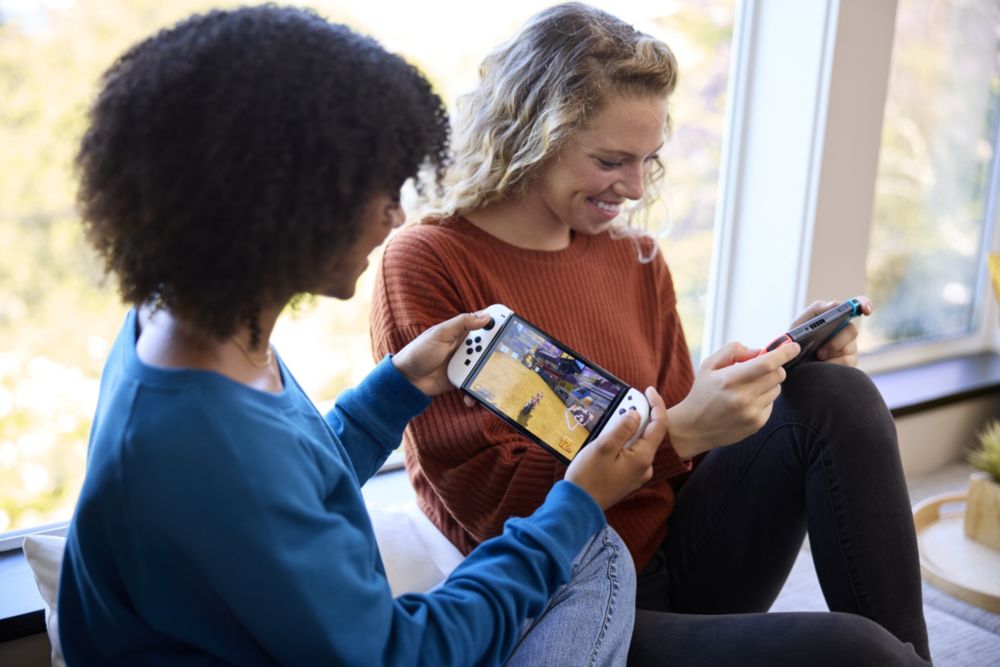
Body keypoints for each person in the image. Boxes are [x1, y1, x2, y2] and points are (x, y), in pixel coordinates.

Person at [57, 6, 668, 666]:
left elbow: (287, 486)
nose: (396, 214)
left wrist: (392, 391)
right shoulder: (201, 438)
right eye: (375, 191)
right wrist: (576, 502)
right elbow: (399, 654)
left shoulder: (193, 328)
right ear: (283, 201)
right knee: (591, 545)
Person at [370, 3, 931, 665]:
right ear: (530, 133)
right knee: (858, 654)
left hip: (671, 556)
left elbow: (677, 461)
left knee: (835, 394)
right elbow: (492, 508)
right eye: (612, 159)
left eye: (647, 160)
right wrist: (685, 428)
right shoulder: (429, 262)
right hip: (559, 600)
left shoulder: (633, 256)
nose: (635, 188)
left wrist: (740, 391)